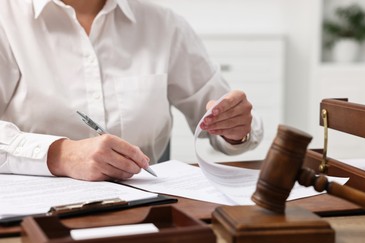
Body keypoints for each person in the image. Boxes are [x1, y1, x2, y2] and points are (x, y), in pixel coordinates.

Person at [0, 0, 263, 181]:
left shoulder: (163, 25)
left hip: (146, 208)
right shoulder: (6, 21)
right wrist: (59, 155)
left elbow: (219, 110)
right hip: (33, 213)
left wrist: (234, 128)